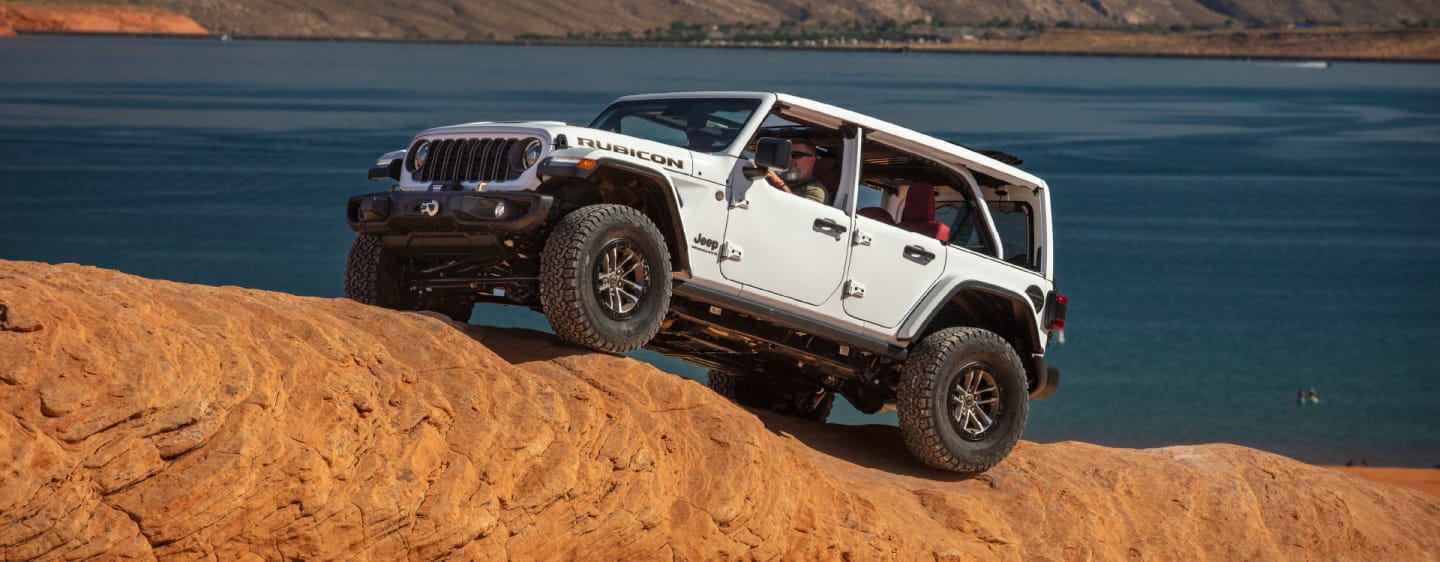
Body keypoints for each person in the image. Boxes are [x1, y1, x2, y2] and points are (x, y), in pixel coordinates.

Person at [762, 139, 828, 205]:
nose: (789, 159)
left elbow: (800, 213)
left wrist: (778, 183)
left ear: (811, 159)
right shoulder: (772, 177)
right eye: (786, 155)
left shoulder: (815, 191)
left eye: (796, 155)